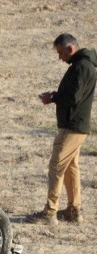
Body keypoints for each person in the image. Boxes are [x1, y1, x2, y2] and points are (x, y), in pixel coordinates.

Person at [30, 33, 96, 226]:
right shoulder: (84, 65)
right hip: (76, 126)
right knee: (70, 169)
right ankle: (74, 211)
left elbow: (74, 98)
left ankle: (49, 213)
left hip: (72, 126)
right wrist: (56, 95)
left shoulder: (81, 67)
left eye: (60, 52)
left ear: (70, 48)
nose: (60, 57)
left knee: (56, 167)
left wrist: (52, 98)